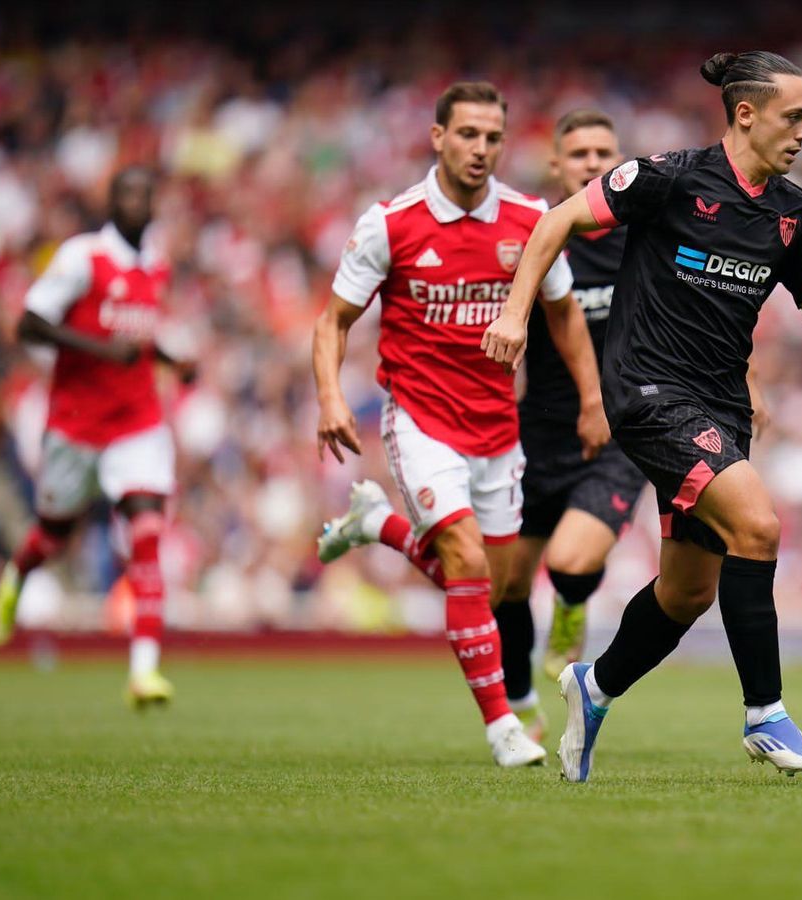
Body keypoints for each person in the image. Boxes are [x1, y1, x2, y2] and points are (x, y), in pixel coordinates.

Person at [482, 51, 802, 781]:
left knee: (688, 591)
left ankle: (595, 685)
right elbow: (555, 224)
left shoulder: (791, 211)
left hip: (721, 407)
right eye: (793, 117)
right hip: (646, 393)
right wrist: (515, 317)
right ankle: (764, 714)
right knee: (758, 525)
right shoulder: (668, 178)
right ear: (745, 113)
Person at [311, 81, 608, 766]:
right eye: (468, 134)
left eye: (493, 137)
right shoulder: (392, 223)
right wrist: (330, 398)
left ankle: (377, 525)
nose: (481, 149)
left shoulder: (533, 218)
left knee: (495, 588)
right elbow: (333, 323)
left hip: (499, 430)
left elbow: (563, 314)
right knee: (468, 563)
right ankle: (503, 726)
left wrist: (591, 400)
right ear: (438, 137)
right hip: (420, 419)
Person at [0, 166, 190, 710]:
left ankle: (143, 672)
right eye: (127, 193)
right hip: (75, 425)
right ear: (111, 202)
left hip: (137, 421)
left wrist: (172, 361)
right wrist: (99, 350)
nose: (137, 202)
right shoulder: (81, 259)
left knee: (146, 531)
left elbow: (138, 338)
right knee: (54, 534)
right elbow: (28, 323)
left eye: (146, 193)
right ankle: (17, 574)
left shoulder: (157, 264)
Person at [490, 109, 645, 743]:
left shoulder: (643, 236)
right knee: (507, 583)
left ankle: (573, 611)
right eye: (577, 152)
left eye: (603, 150)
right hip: (538, 430)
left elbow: (700, 313)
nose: (591, 161)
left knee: (571, 558)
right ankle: (522, 702)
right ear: (556, 165)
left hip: (621, 426)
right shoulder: (538, 236)